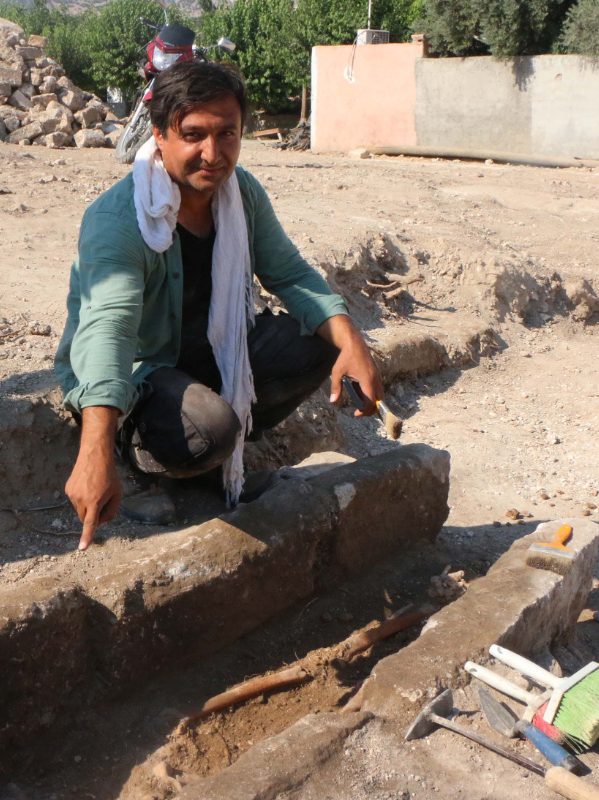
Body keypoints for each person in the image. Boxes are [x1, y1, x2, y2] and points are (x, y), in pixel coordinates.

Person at [54, 61, 384, 551]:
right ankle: (139, 455)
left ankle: (213, 457)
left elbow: (289, 274)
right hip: (144, 369)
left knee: (318, 344)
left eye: (226, 134)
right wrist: (95, 450)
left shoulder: (239, 194)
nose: (212, 154)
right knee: (210, 428)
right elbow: (110, 333)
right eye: (193, 135)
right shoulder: (119, 220)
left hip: (212, 348)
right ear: (161, 135)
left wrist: (351, 340)